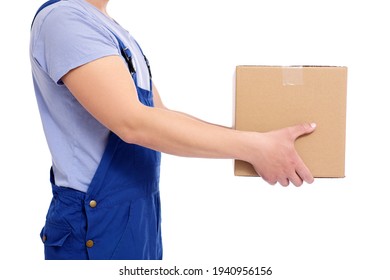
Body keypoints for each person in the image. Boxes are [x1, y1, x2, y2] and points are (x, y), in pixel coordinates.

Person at [30, 0, 316, 260]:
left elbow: (158, 115)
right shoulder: (65, 19)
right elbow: (132, 123)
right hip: (93, 219)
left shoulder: (111, 28)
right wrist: (254, 147)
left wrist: (255, 141)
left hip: (139, 212)